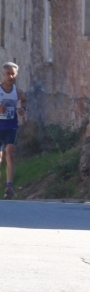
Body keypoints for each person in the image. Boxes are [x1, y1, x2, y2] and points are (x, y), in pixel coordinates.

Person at [0, 62, 27, 200]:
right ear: (3, 74)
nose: (10, 76)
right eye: (8, 74)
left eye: (13, 74)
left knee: (10, 154)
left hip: (11, 126)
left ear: (16, 75)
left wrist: (23, 109)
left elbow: (24, 101)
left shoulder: (18, 91)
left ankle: (9, 187)